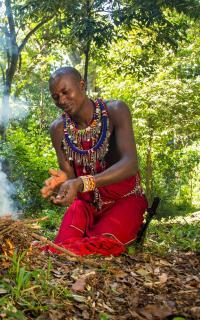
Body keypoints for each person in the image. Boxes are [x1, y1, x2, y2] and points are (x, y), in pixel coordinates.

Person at [41, 67, 147, 256]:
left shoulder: (115, 110)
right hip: (86, 205)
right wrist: (61, 185)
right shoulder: (58, 129)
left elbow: (130, 163)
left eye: (66, 92)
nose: (62, 100)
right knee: (59, 249)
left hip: (124, 199)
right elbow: (71, 178)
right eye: (55, 97)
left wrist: (84, 182)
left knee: (99, 246)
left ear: (82, 85)